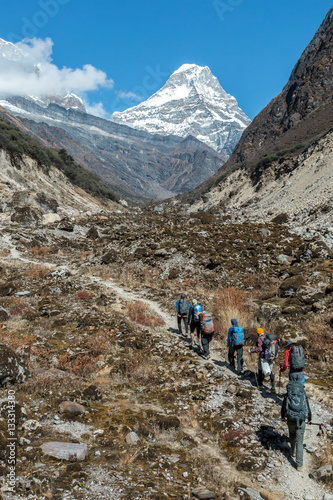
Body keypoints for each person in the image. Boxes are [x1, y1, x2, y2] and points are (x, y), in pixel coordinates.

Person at [281, 381, 312, 471]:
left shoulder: (288, 394)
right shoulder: (303, 394)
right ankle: (299, 464)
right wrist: (310, 418)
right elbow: (307, 407)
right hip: (301, 420)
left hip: (290, 419)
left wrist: (283, 417)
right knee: (300, 441)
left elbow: (283, 407)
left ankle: (293, 451)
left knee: (292, 434)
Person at [249, 328, 276, 393]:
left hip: (263, 357)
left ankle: (260, 385)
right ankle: (273, 388)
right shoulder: (267, 337)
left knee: (260, 370)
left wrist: (251, 350)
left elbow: (259, 349)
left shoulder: (260, 338)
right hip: (270, 357)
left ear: (258, 333)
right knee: (270, 371)